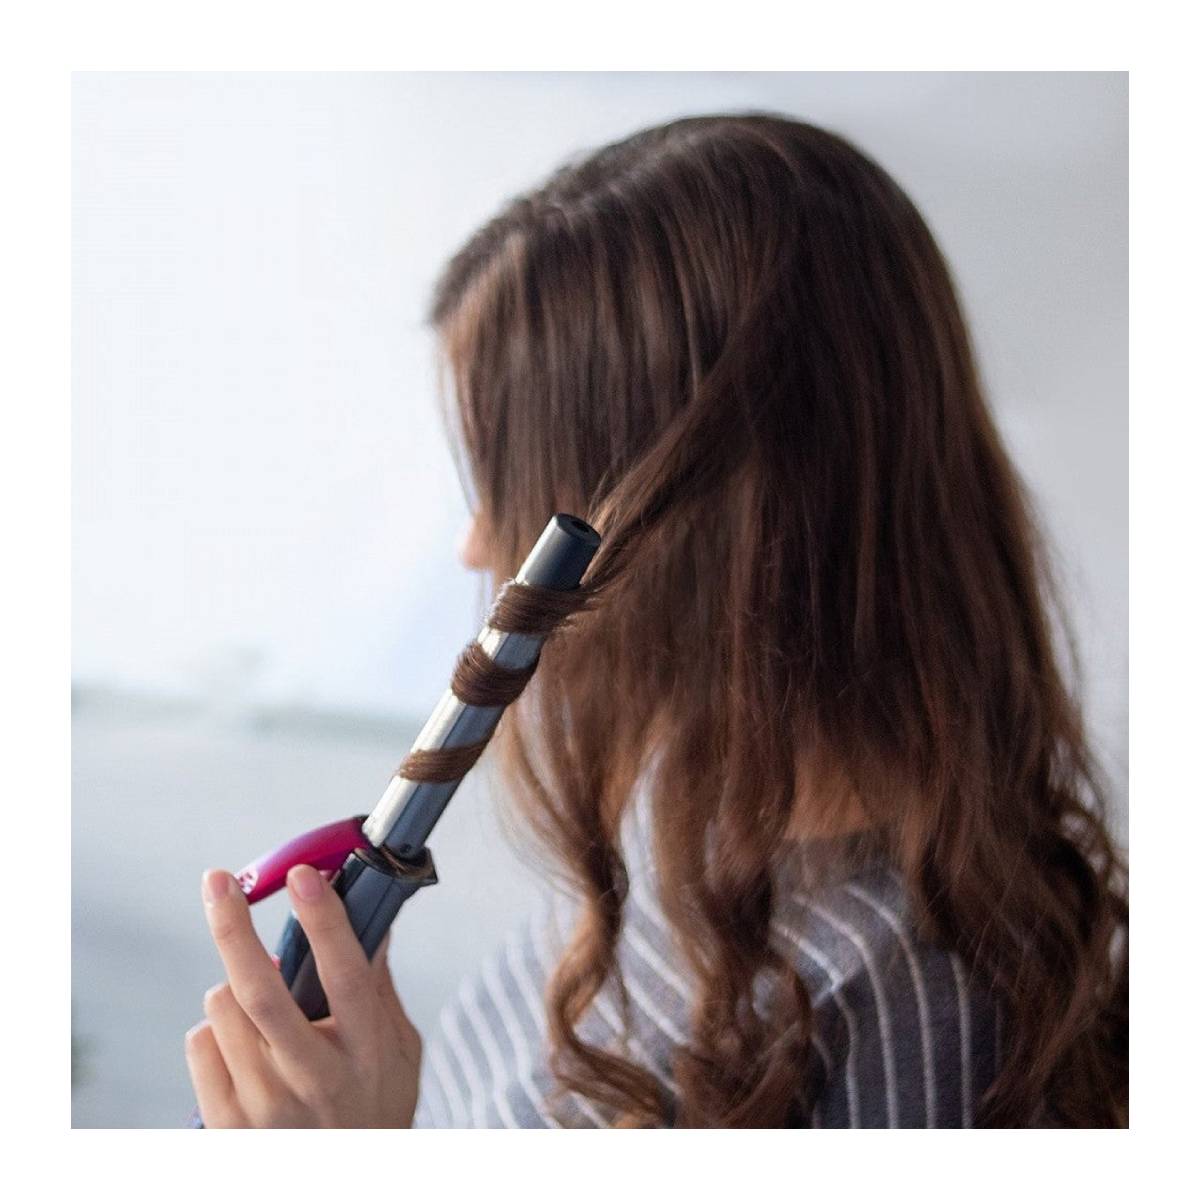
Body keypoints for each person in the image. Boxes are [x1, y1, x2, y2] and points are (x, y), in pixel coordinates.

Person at [184, 113, 1128, 1128]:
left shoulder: (891, 1016)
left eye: (501, 479)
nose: (476, 543)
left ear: (685, 532)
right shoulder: (677, 818)